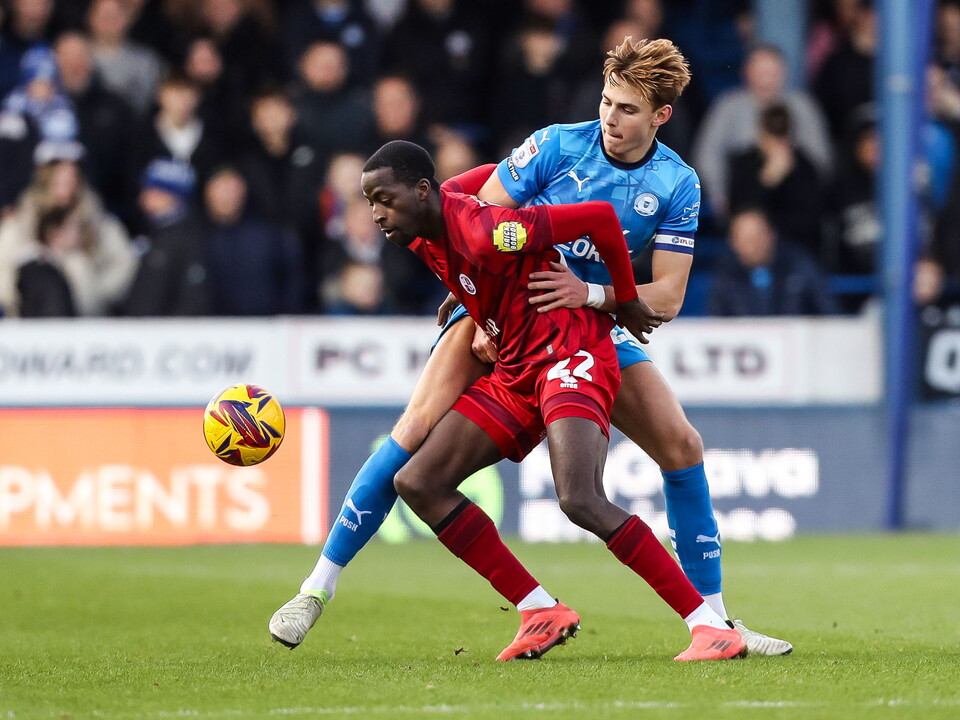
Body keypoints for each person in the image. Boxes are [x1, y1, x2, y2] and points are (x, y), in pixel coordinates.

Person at [269, 37, 793, 657]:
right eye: (607, 101)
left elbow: (670, 295)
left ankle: (716, 621)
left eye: (628, 109)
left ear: (661, 116)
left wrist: (593, 293)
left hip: (588, 320)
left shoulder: (677, 183)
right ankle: (315, 588)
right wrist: (476, 307)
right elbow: (473, 215)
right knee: (415, 432)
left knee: (681, 446)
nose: (611, 118)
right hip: (503, 310)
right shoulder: (555, 146)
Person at [370, 139, 746, 661]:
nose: (377, 214)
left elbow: (598, 219)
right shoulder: (423, 231)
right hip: (517, 368)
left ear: (420, 191)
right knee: (418, 482)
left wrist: (624, 299)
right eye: (370, 202)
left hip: (571, 353)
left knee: (579, 499)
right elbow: (486, 175)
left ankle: (709, 627)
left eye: (384, 200)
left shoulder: (488, 230)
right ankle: (539, 609)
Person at [707, 207, 839, 317]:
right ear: (733, 243)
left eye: (757, 236)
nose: (753, 245)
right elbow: (717, 324)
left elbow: (830, 312)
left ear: (771, 234)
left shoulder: (799, 265)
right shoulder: (724, 277)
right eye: (746, 239)